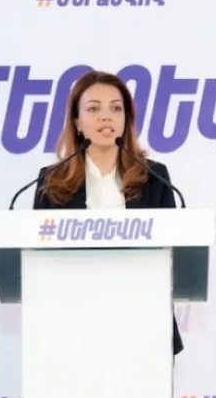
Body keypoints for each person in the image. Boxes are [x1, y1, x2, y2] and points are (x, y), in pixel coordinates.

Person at [32, 69, 184, 358]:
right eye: (93, 109)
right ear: (77, 122)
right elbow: (40, 260)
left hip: (144, 328)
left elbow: (173, 254)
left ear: (126, 120)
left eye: (116, 108)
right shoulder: (52, 181)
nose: (106, 117)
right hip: (71, 332)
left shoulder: (155, 177)